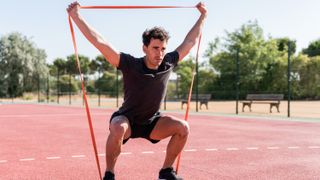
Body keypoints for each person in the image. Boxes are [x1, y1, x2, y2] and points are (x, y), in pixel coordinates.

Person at [67, 2, 207, 180]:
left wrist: (203, 16)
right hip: (127, 121)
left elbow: (190, 41)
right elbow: (100, 42)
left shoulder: (168, 63)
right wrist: (76, 16)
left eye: (163, 49)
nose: (160, 53)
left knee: (183, 128)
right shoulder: (130, 64)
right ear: (145, 48)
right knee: (117, 128)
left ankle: (166, 172)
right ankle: (109, 174)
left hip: (152, 123)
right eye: (155, 48)